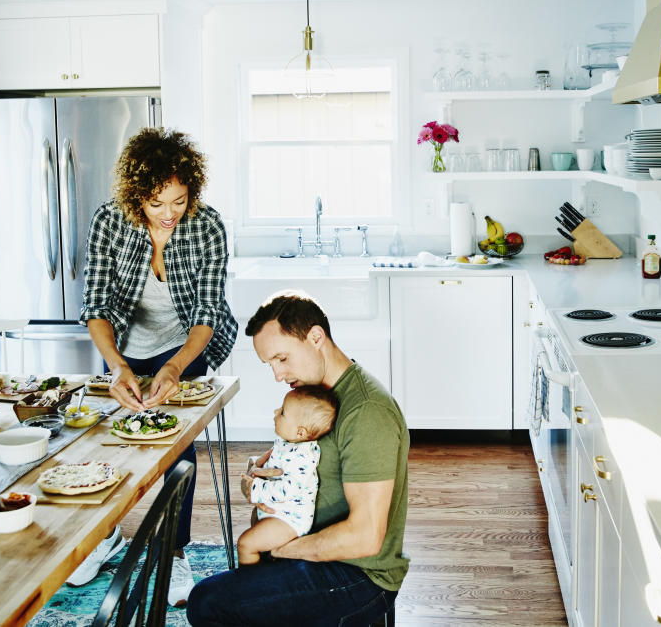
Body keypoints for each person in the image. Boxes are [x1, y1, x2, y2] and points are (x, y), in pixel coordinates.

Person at [74, 127, 237, 607]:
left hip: (185, 345)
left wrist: (175, 368)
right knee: (108, 440)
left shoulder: (206, 226)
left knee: (178, 449)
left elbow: (208, 312)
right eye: (156, 203)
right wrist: (118, 366)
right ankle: (105, 537)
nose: (169, 214)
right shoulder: (109, 221)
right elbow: (96, 304)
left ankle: (176, 551)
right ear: (135, 196)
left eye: (179, 201)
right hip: (122, 346)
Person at [186, 291, 409, 627]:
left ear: (316, 337)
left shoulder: (367, 412)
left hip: (361, 576)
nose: (277, 374)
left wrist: (279, 550)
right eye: (271, 364)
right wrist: (259, 482)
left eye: (282, 358)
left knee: (207, 603)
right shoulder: (316, 398)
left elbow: (365, 537)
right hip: (320, 551)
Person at [237, 385, 338, 566]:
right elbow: (272, 464)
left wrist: (256, 488)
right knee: (255, 525)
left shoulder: (303, 457)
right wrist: (255, 464)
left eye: (283, 412)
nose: (276, 411)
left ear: (300, 432)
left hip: (290, 519)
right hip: (278, 512)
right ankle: (264, 570)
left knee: (246, 543)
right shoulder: (288, 442)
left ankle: (249, 585)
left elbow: (287, 489)